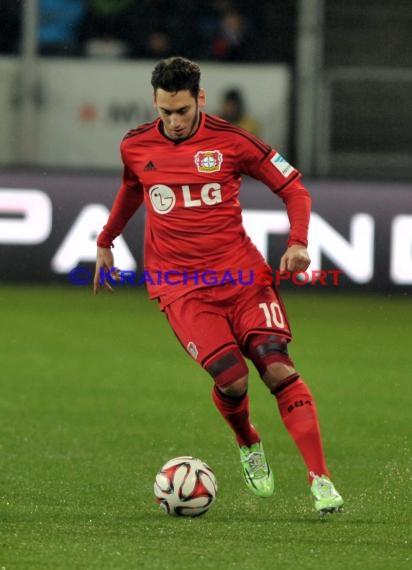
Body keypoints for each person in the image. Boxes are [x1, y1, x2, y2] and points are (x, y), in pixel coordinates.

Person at [93, 56, 344, 515]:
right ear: (155, 102)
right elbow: (133, 187)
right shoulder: (134, 145)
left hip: (242, 275)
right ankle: (248, 440)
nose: (173, 121)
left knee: (276, 366)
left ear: (199, 99)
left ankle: (320, 480)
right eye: (165, 111)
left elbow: (294, 188)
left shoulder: (233, 142)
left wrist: (298, 242)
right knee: (232, 379)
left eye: (182, 111)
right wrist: (106, 239)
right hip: (181, 287)